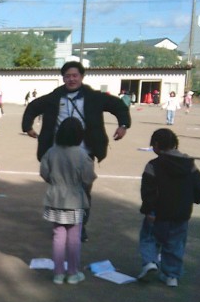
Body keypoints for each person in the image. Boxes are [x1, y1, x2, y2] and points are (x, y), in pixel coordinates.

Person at [22, 61, 131, 242]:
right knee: (59, 188)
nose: (71, 79)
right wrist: (27, 127)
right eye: (67, 76)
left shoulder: (94, 97)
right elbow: (33, 107)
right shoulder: (53, 98)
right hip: (58, 151)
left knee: (84, 191)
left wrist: (123, 125)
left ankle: (80, 226)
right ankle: (60, 225)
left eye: (75, 75)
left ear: (81, 77)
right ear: (63, 78)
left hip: (84, 152)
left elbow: (118, 105)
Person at [137, 129, 200, 287]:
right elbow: (199, 185)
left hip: (158, 213)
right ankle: (171, 275)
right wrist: (198, 198)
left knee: (149, 238)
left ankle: (150, 262)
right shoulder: (189, 164)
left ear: (156, 145)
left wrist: (149, 210)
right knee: (175, 244)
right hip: (181, 214)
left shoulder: (153, 165)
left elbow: (148, 191)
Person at [40, 117, 97, 285]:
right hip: (74, 198)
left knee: (58, 235)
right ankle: (72, 272)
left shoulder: (51, 152)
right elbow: (88, 177)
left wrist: (54, 182)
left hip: (55, 197)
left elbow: (44, 172)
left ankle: (58, 273)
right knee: (74, 237)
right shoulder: (82, 154)